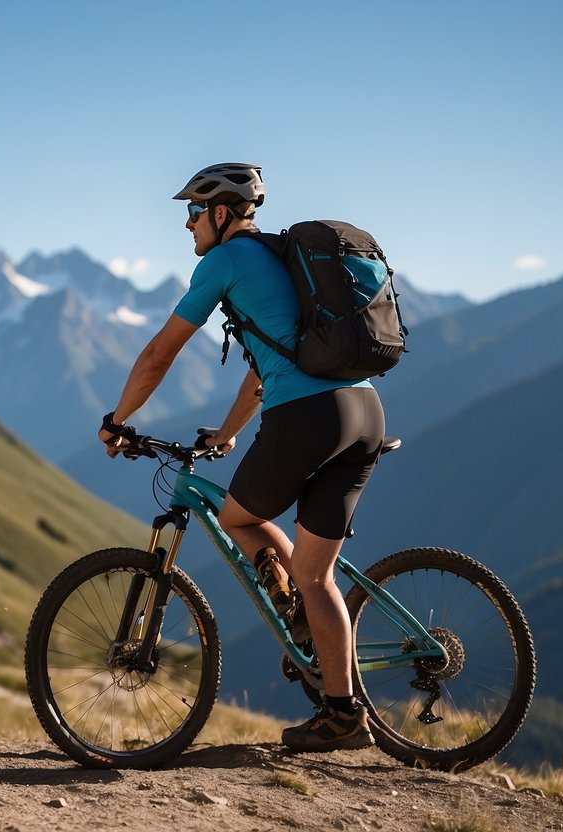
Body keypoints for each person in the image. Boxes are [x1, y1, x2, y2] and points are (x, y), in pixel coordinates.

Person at [98, 162, 386, 752]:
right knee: (316, 575)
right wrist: (229, 431)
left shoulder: (224, 262)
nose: (186, 224)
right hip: (364, 412)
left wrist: (118, 420)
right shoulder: (283, 259)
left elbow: (160, 352)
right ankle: (342, 712)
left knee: (237, 518)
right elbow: (268, 357)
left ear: (221, 213)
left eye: (194, 212)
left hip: (307, 416)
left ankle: (299, 617)